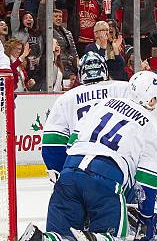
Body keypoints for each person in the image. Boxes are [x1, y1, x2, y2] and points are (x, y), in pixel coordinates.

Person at [11, 71, 157, 241]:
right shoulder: (152, 126)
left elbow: (73, 140)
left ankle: (39, 239)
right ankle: (95, 239)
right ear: (153, 99)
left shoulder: (103, 104)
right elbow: (147, 182)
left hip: (70, 172)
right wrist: (146, 218)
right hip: (106, 177)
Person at [40, 52, 131, 181]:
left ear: (81, 73)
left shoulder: (67, 98)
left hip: (79, 162)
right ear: (104, 69)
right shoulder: (123, 89)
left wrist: (59, 171)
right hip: (116, 162)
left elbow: (52, 141)